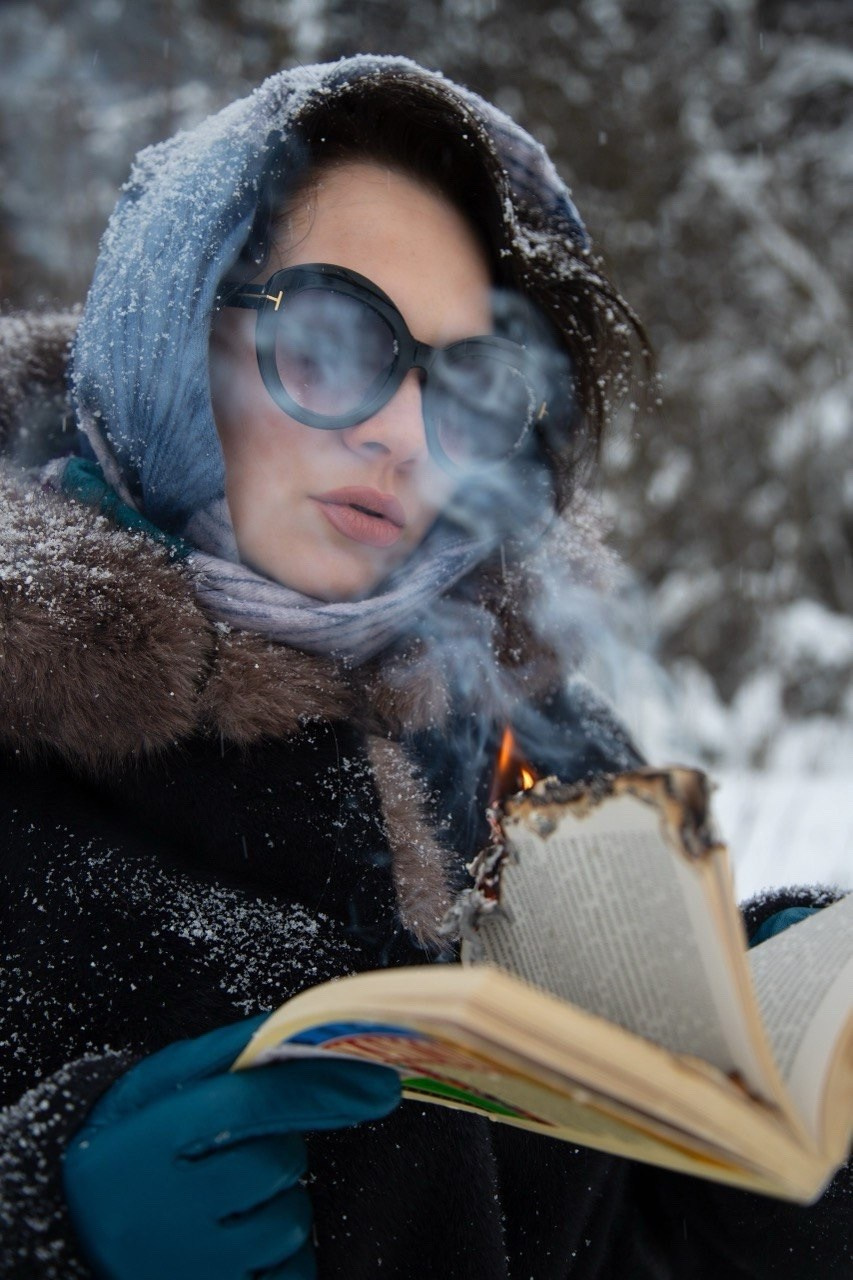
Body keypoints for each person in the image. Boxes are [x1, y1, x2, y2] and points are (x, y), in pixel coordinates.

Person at [0, 55, 848, 1280]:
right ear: (175, 328)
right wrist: (43, 1219)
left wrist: (792, 1137)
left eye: (467, 381)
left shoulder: (546, 756)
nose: (405, 434)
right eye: (338, 335)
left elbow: (633, 1244)